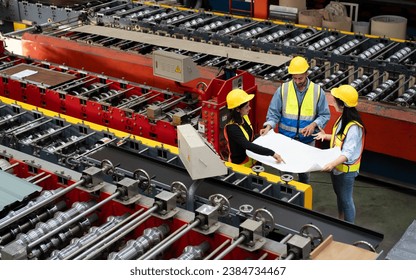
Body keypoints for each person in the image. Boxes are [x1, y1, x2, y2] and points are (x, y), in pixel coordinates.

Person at [260, 56, 330, 184]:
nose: (297, 81)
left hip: (306, 142)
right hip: (286, 141)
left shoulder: (317, 91)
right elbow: (274, 113)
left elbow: (324, 115)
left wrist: (313, 124)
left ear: (307, 73)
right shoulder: (283, 90)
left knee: (304, 176)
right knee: (285, 175)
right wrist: (268, 127)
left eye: (300, 78)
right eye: (294, 78)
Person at [313, 85, 365, 223]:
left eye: (335, 100)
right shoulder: (344, 119)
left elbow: (347, 153)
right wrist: (325, 136)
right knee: (340, 196)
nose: (333, 102)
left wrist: (331, 164)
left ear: (342, 104)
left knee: (346, 200)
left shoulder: (354, 127)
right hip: (337, 168)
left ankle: (349, 228)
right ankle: (341, 221)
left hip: (345, 170)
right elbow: (340, 138)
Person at [224, 88, 284, 167]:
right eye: (246, 107)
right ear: (237, 109)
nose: (249, 108)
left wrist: (261, 135)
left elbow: (249, 137)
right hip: (241, 167)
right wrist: (272, 153)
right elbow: (247, 145)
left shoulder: (244, 117)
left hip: (254, 161)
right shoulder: (232, 128)